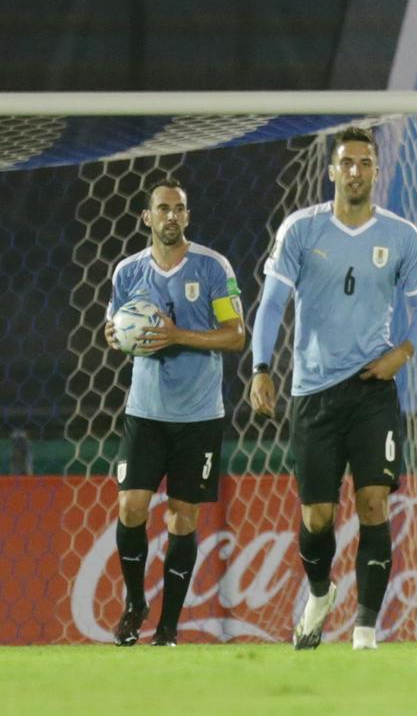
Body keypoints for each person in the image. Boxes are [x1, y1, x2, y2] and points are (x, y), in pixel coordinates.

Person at [249, 127, 417, 651]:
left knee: (375, 504)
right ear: (331, 170)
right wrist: (261, 367)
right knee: (317, 517)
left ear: (377, 171)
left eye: (365, 163)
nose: (355, 171)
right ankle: (318, 592)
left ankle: (365, 630)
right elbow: (271, 305)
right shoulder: (301, 230)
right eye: (347, 163)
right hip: (313, 392)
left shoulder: (401, 236)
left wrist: (401, 353)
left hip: (372, 391)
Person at [104, 178, 246, 647]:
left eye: (178, 209)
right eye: (162, 208)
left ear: (187, 216)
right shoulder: (127, 272)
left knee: (182, 519)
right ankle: (134, 603)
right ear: (147, 217)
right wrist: (114, 336)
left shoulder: (211, 268)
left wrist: (178, 335)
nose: (170, 216)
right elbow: (117, 326)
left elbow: (235, 334)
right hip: (145, 413)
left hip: (199, 416)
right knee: (131, 507)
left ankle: (167, 628)